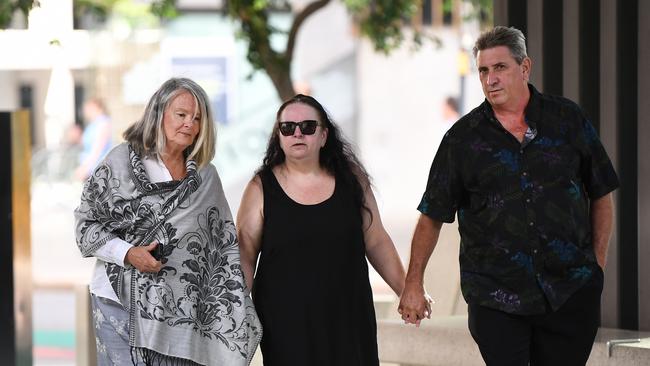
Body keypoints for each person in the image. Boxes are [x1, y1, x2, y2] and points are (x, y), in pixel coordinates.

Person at [399, 26, 619, 366]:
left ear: (525, 68)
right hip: (496, 300)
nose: (491, 79)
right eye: (483, 71)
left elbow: (601, 192)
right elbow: (432, 214)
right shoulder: (462, 140)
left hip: (569, 293)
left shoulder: (567, 120)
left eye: (500, 67)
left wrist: (596, 269)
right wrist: (413, 282)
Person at [74, 78, 261, 366]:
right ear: (159, 114)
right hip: (119, 304)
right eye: (182, 115)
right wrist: (128, 254)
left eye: (197, 118)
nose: (190, 124)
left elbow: (220, 247)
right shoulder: (120, 161)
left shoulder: (204, 177)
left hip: (182, 317)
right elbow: (86, 227)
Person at [237, 94, 407, 365]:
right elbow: (245, 253)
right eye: (287, 127)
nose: (297, 133)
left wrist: (406, 290)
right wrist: (234, 308)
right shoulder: (260, 187)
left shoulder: (352, 179)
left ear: (324, 135)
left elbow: (376, 239)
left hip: (349, 315)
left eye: (307, 127)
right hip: (286, 322)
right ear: (278, 135)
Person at [75, 98, 113, 180]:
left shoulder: (103, 123)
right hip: (91, 170)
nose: (85, 111)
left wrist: (84, 168)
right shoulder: (93, 124)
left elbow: (97, 149)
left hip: (98, 171)